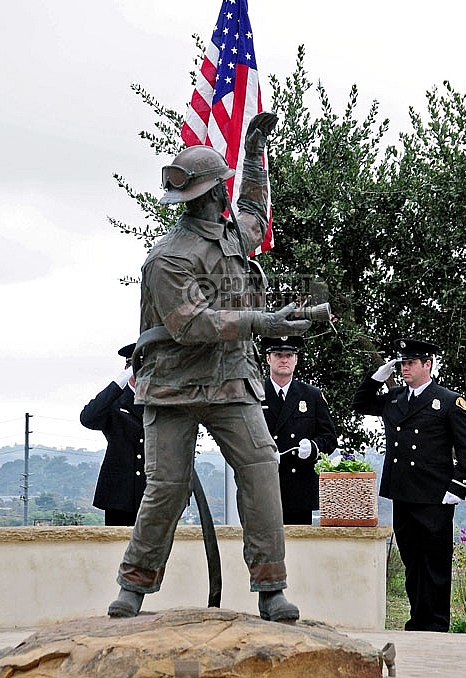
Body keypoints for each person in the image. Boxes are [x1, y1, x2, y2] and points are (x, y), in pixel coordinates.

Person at [107, 112, 315, 622]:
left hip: (231, 381)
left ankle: (271, 586)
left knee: (262, 468)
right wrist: (265, 322)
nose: (226, 197)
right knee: (167, 487)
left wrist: (253, 151)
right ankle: (134, 584)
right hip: (174, 385)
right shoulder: (167, 258)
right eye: (222, 188)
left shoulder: (229, 236)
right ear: (213, 195)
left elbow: (256, 210)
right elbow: (191, 324)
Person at [352, 337, 466, 632]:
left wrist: (457, 487)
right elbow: (361, 404)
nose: (404, 368)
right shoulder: (395, 398)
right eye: (402, 363)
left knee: (434, 566)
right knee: (412, 565)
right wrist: (376, 377)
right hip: (403, 494)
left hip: (435, 497)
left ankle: (436, 625)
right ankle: (418, 622)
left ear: (427, 365)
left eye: (410, 363)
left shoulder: (448, 401)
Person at [261, 336, 337, 524]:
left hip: (299, 489)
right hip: (263, 485)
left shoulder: (312, 395)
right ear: (268, 358)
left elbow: (329, 438)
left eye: (289, 354)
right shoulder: (255, 393)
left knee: (299, 548)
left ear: (296, 359)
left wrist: (314, 447)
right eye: (278, 354)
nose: (284, 359)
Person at [80, 343, 145, 526]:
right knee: (117, 548)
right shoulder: (115, 401)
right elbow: (88, 418)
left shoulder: (160, 399)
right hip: (119, 495)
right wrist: (121, 380)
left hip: (153, 492)